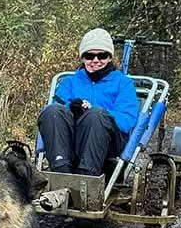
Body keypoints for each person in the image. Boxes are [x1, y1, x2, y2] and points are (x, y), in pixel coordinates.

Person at [38, 28, 138, 175]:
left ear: (110, 57)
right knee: (51, 111)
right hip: (72, 139)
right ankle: (61, 172)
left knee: (95, 115)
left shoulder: (123, 83)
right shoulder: (69, 82)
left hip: (108, 140)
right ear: (82, 58)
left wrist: (94, 111)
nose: (95, 60)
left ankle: (87, 177)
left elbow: (126, 121)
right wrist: (72, 110)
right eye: (89, 56)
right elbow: (55, 116)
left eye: (102, 55)